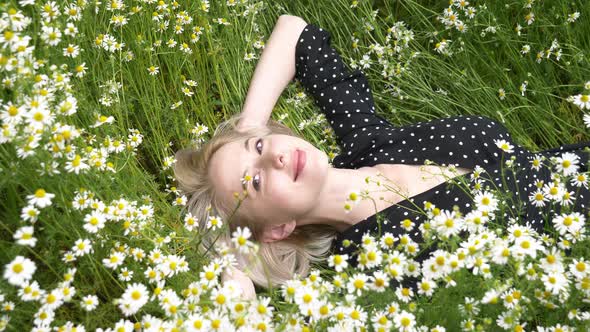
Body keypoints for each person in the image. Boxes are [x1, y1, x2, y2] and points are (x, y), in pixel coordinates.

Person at [174, 15, 590, 300]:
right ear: (279, 230)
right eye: (257, 183)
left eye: (265, 150)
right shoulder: (372, 265)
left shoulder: (369, 143)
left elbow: (295, 32)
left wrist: (248, 132)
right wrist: (231, 258)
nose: (277, 160)